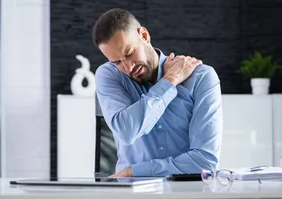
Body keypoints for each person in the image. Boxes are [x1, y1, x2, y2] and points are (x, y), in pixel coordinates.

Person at [92, 8, 223, 177]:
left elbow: (205, 162)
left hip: (184, 192)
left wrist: (133, 172)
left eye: (129, 53)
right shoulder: (109, 75)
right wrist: (169, 81)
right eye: (117, 62)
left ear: (144, 36)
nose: (128, 67)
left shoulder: (201, 78)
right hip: (130, 194)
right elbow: (126, 132)